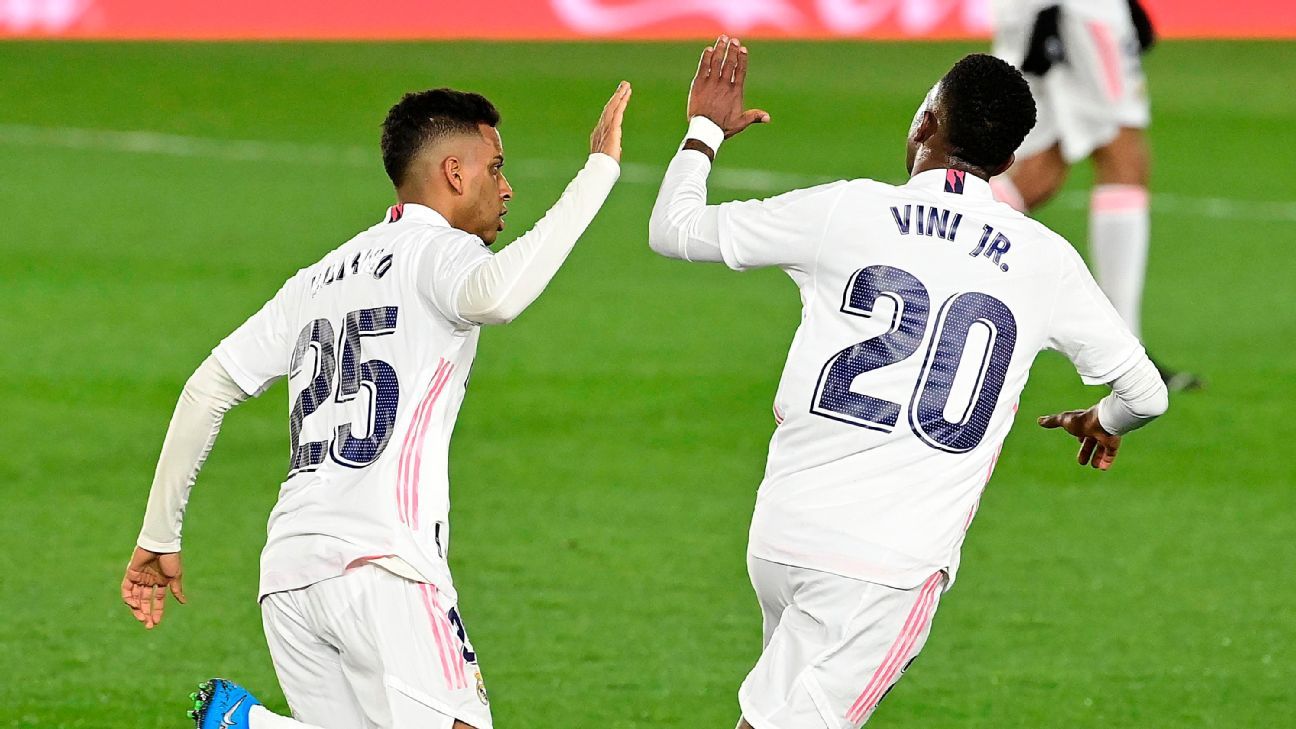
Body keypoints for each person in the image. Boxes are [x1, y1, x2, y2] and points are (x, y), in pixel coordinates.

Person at [649, 38, 1167, 727]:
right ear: (1007, 162)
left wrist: (705, 131)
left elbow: (674, 229)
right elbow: (1146, 393)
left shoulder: (844, 209)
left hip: (783, 535)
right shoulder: (1046, 260)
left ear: (925, 123)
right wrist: (1102, 419)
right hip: (885, 568)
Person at [121, 82, 632, 729]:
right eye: (496, 168)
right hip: (384, 565)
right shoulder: (438, 252)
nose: (506, 189)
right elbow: (500, 296)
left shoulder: (315, 279)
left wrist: (158, 535)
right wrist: (598, 170)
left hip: (289, 571)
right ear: (455, 173)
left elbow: (207, 388)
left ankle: (249, 723)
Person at [987, 0, 1201, 391]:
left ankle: (929, 249)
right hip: (1080, 12)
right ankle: (1127, 351)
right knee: (1122, 155)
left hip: (1044, 13)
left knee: (1042, 168)